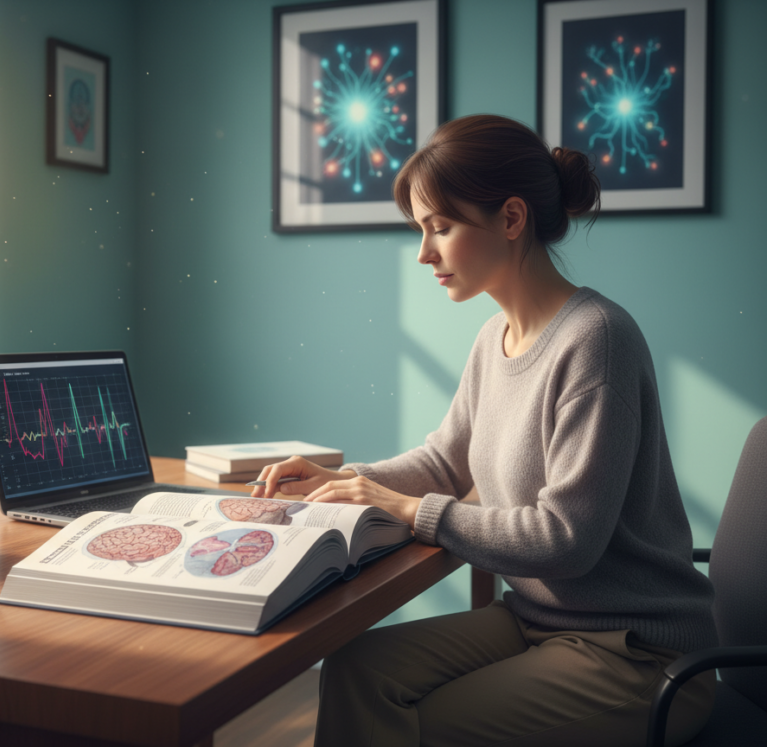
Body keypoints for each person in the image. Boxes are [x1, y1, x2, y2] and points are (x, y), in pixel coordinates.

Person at [251, 114, 717, 746]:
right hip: (535, 618)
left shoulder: (597, 341)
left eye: (440, 227)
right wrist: (347, 479)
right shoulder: (491, 338)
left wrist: (408, 510)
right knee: (357, 670)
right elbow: (446, 461)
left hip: (634, 652)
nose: (423, 253)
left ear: (511, 218)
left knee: (416, 727)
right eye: (421, 230)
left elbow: (566, 539)